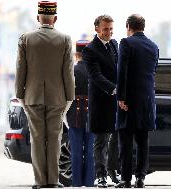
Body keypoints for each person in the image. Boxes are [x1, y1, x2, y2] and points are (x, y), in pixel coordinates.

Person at [15, 1, 75, 189]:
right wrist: (70, 97)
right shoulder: (65, 39)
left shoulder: (26, 39)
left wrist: (20, 94)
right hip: (57, 97)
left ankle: (40, 181)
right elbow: (68, 72)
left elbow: (20, 69)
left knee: (37, 138)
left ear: (38, 18)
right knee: (55, 138)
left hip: (32, 97)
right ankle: (53, 181)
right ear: (55, 19)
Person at [115, 14, 159, 188]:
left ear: (128, 26)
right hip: (147, 100)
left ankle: (125, 179)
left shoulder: (126, 43)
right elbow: (153, 71)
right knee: (143, 141)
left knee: (125, 141)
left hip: (129, 100)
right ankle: (140, 178)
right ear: (143, 27)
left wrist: (121, 97)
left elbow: (122, 72)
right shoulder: (154, 46)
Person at [82, 15, 120, 187]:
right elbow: (96, 76)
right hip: (102, 101)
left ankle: (113, 172)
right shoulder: (90, 50)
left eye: (111, 28)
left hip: (117, 102)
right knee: (101, 141)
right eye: (105, 29)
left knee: (116, 140)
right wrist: (115, 89)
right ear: (97, 29)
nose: (109, 32)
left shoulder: (115, 44)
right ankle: (101, 176)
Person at [66, 40, 95, 187]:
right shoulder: (95, 71)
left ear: (76, 54)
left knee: (76, 151)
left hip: (74, 115)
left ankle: (76, 183)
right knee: (90, 151)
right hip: (92, 115)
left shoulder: (72, 71)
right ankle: (89, 182)